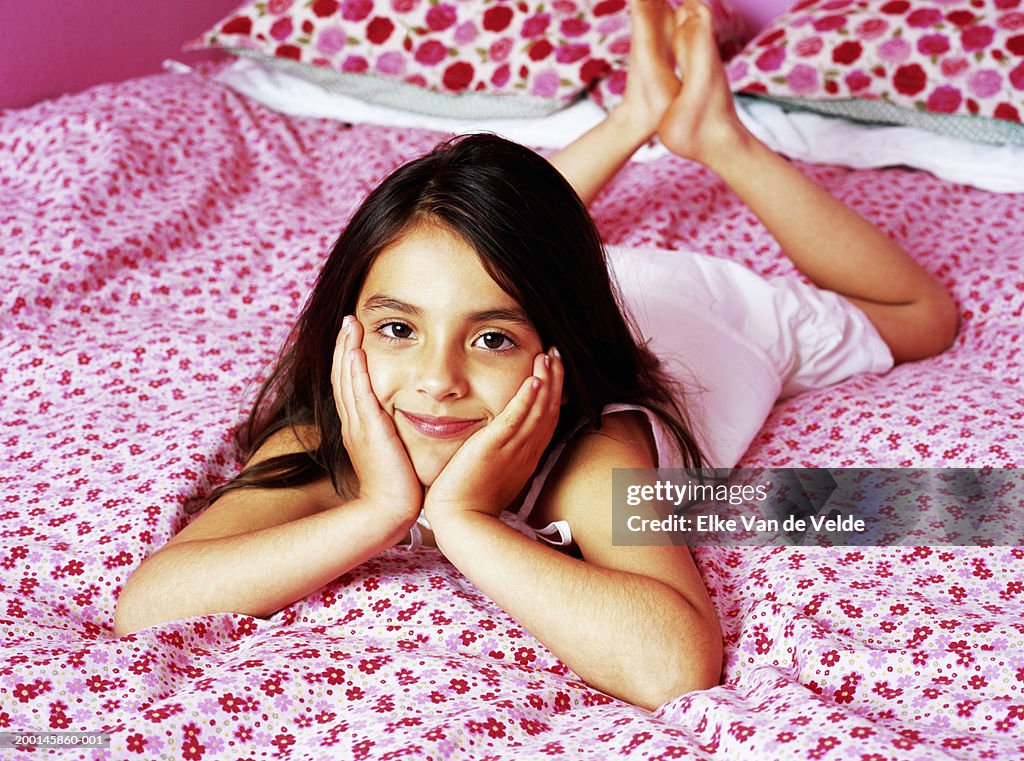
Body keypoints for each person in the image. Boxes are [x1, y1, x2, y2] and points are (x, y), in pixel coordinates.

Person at [113, 0, 957, 710]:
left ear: (555, 355)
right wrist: (376, 511)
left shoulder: (595, 452)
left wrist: (463, 519)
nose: (436, 381)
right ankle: (632, 116)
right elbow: (150, 600)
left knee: (924, 319)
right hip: (580, 289)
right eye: (397, 328)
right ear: (351, 328)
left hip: (700, 308)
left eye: (491, 340)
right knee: (466, 240)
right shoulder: (356, 414)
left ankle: (713, 133)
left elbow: (674, 666)